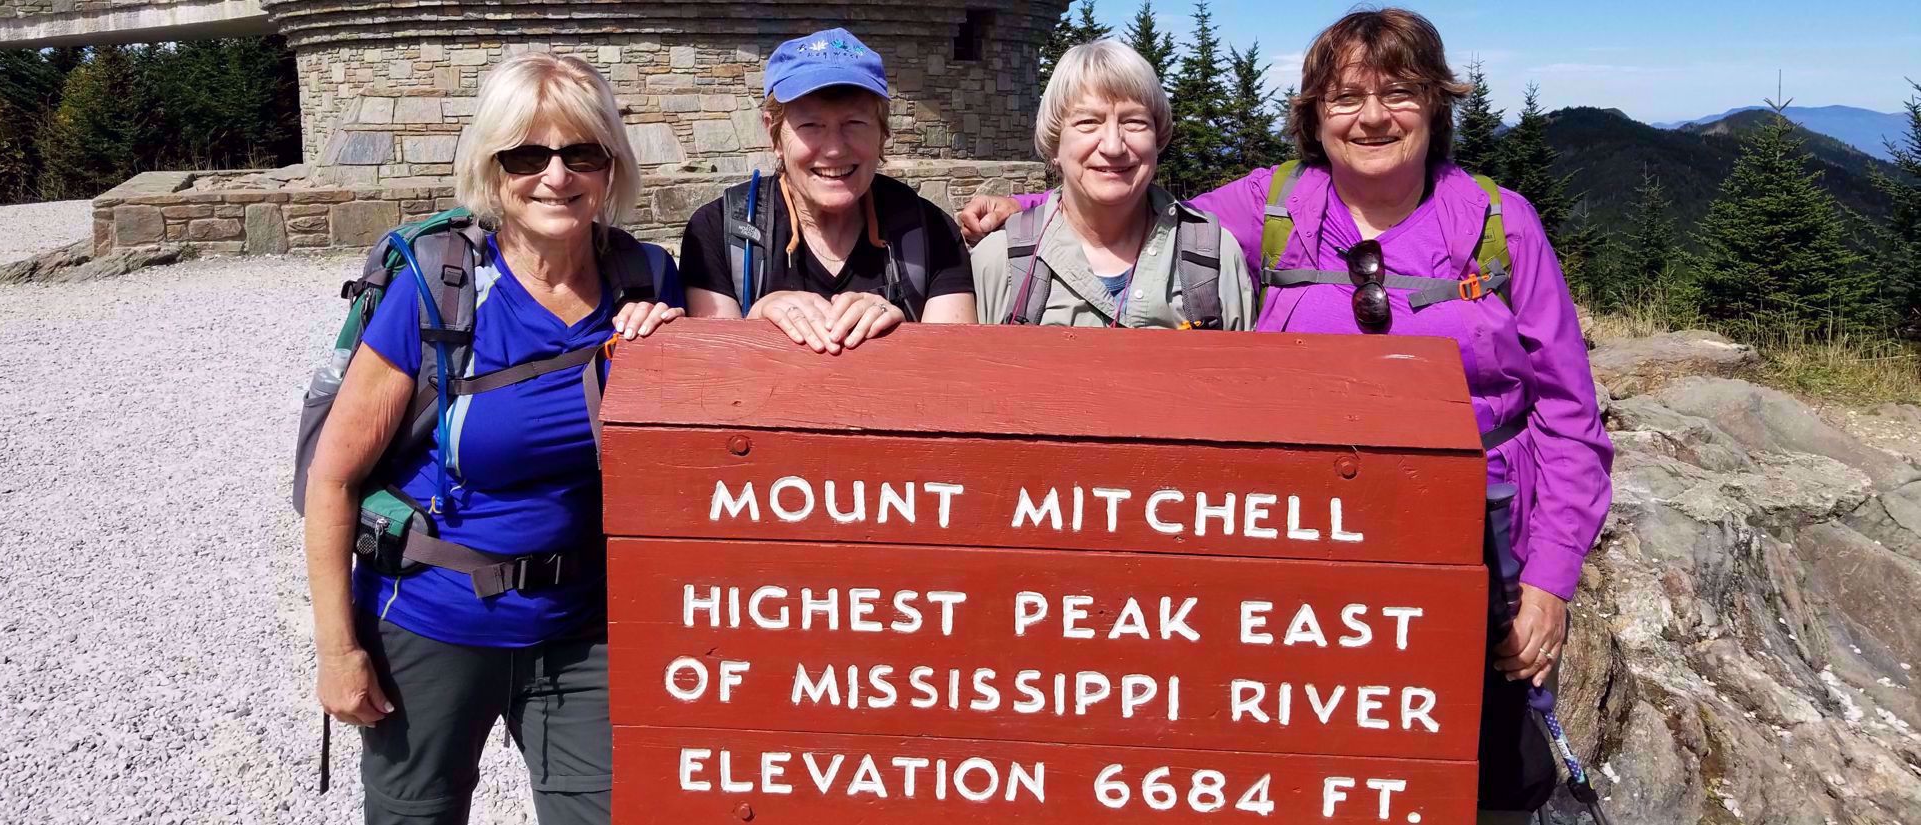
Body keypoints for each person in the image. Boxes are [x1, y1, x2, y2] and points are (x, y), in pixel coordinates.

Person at [964, 9, 1612, 822]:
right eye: (1345, 97)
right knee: (1323, 762)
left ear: (1436, 105)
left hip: (1477, 547)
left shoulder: (1498, 223)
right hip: (1313, 556)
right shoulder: (1272, 206)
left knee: (1490, 776)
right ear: (1314, 114)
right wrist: (1022, 208)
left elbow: (1570, 418)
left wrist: (1550, 581)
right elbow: (1137, 211)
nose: (1373, 116)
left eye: (1398, 92)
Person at [302, 53, 682, 824]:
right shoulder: (438, 288)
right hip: (433, 621)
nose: (556, 175)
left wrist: (683, 352)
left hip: (584, 627)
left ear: (610, 164)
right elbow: (332, 479)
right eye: (527, 154)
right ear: (491, 165)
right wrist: (338, 651)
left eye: (582, 152)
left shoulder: (649, 282)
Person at [679, 28, 975, 353]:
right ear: (774, 134)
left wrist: (900, 337)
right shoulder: (718, 234)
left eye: (855, 124)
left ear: (882, 132)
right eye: (810, 126)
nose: (834, 149)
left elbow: (952, 378)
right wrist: (757, 319)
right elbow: (715, 385)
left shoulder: (934, 235)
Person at [972, 39, 1253, 329]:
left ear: (1158, 139)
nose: (1113, 145)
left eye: (1134, 122)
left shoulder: (1214, 257)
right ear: (1054, 145)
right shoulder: (998, 263)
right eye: (1088, 122)